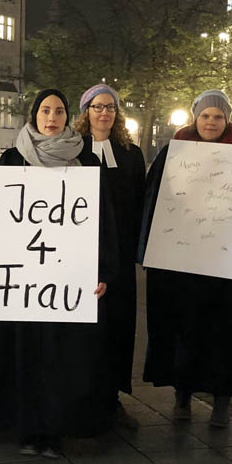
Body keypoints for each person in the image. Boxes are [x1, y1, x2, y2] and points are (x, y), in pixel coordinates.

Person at [0, 88, 119, 457]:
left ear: (68, 116)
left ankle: (54, 430)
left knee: (63, 359)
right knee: (25, 357)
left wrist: (104, 270)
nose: (51, 117)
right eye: (45, 110)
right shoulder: (11, 159)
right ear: (33, 115)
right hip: (23, 284)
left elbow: (104, 222)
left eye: (59, 110)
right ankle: (27, 428)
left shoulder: (87, 162)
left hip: (67, 283)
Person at [138, 89, 232, 426]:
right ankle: (182, 392)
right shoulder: (173, 152)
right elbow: (154, 202)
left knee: (225, 334)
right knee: (184, 328)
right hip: (182, 266)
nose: (211, 122)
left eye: (217, 116)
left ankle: (222, 401)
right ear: (195, 118)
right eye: (205, 116)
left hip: (230, 269)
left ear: (227, 120)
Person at [73, 84, 146, 429]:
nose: (104, 113)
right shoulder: (72, 150)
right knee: (88, 326)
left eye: (111, 107)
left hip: (119, 256)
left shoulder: (130, 153)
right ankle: (84, 390)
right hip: (82, 256)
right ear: (86, 111)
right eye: (97, 107)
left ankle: (112, 393)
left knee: (118, 324)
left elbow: (140, 203)